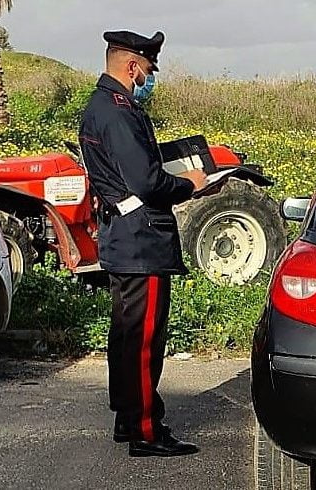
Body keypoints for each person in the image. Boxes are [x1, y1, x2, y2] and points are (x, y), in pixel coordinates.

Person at [79, 29, 206, 458]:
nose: (149, 77)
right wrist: (190, 184)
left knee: (127, 338)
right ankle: (147, 430)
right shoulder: (117, 111)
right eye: (148, 70)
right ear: (132, 66)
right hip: (140, 242)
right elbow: (146, 181)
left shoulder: (106, 106)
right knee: (144, 340)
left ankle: (127, 418)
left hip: (126, 239)